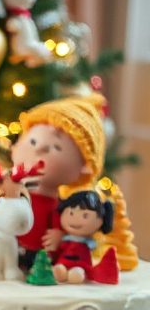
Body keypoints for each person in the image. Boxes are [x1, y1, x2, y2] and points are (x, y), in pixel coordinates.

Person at [11, 95, 137, 272]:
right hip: (12, 250)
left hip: (42, 258)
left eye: (56, 147)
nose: (39, 149)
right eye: (33, 141)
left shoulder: (62, 208)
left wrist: (58, 235)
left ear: (84, 167)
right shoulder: (12, 192)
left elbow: (59, 223)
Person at [54, 190, 119, 285]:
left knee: (77, 272)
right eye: (71, 213)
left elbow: (93, 248)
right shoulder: (65, 239)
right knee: (60, 268)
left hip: (81, 263)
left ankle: (76, 273)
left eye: (85, 216)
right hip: (64, 261)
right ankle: (61, 271)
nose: (75, 220)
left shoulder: (88, 242)